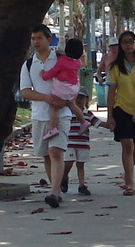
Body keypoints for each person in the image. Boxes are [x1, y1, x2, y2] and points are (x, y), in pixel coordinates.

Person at [19, 24, 66, 207]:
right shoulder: (29, 64)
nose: (35, 42)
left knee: (56, 152)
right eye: (33, 39)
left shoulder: (61, 60)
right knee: (47, 154)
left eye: (39, 38)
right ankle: (57, 187)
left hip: (62, 114)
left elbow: (72, 83)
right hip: (39, 115)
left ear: (49, 39)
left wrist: (65, 100)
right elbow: (25, 91)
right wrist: (46, 98)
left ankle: (54, 191)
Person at [105, 29, 135, 194]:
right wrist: (110, 116)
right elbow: (111, 92)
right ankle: (130, 182)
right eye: (124, 42)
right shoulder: (116, 67)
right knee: (128, 145)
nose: (128, 45)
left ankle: (127, 173)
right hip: (121, 109)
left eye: (131, 41)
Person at [38, 37, 85, 146]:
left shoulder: (62, 61)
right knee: (72, 105)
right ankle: (83, 121)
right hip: (73, 87)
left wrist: (43, 75)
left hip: (63, 88)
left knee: (54, 107)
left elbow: (53, 72)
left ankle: (53, 128)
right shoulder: (77, 62)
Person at [60, 90, 101, 196]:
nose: (79, 100)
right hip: (69, 142)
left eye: (81, 98)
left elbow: (97, 122)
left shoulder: (88, 114)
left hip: (83, 143)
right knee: (68, 162)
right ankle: (64, 177)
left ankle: (81, 185)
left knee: (80, 165)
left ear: (86, 99)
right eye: (76, 98)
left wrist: (110, 124)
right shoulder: (68, 112)